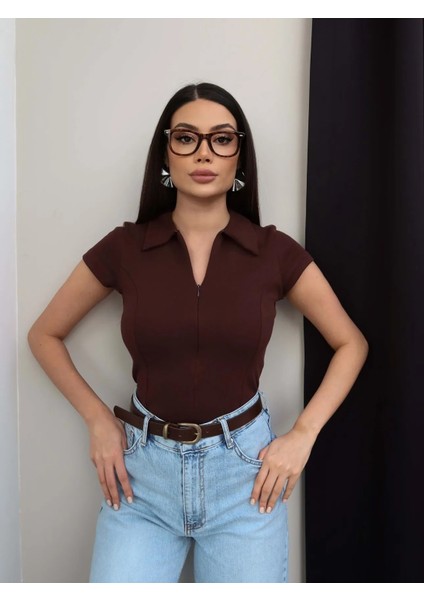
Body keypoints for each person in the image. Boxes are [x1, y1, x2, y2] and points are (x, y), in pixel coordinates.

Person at [27, 82, 368, 583]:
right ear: (165, 154)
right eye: (186, 138)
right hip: (142, 483)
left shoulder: (273, 252)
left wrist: (303, 435)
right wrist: (97, 420)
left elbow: (350, 343)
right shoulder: (126, 248)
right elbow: (44, 334)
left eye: (222, 139)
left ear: (239, 156)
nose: (204, 153)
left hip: (246, 481)